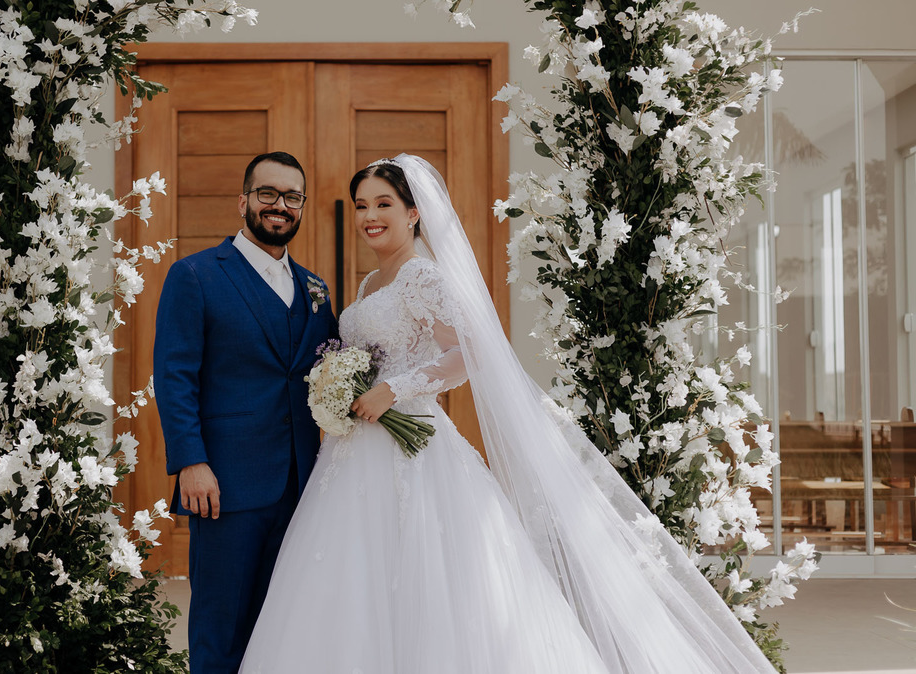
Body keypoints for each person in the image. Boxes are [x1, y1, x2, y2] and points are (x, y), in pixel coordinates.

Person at [238, 154, 776, 673]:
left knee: (427, 582)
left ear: (413, 212)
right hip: (355, 453)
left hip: (412, 448)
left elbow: (469, 350)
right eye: (360, 206)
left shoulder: (422, 276)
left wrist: (394, 391)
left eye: (383, 204)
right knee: (351, 582)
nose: (369, 217)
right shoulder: (370, 284)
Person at [154, 151, 338, 674]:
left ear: (302, 206)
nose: (280, 206)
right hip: (224, 486)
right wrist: (191, 461)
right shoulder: (195, 276)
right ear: (244, 201)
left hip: (302, 485)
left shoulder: (315, 288)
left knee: (284, 626)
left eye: (292, 197)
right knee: (221, 627)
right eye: (268, 194)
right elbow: (175, 376)